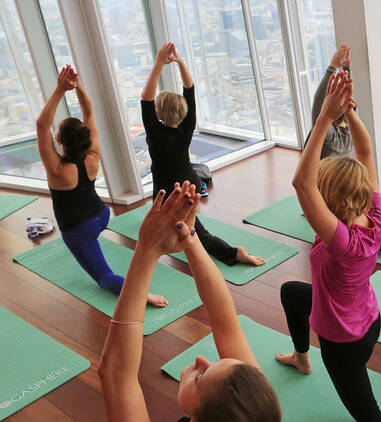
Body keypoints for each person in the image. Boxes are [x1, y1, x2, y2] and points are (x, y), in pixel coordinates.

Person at [98, 181, 281, 422]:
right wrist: (190, 239)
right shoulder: (252, 411)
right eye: (215, 363)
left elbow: (116, 375)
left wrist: (147, 250)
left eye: (200, 377)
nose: (200, 359)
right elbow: (224, 321)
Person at [275, 72, 381, 422]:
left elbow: (301, 182)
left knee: (371, 418)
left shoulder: (340, 240)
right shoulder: (374, 216)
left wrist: (326, 118)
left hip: (344, 342)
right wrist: (349, 112)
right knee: (291, 293)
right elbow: (365, 151)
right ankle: (301, 356)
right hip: (369, 320)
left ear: (327, 200)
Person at [36, 65, 167, 307]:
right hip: (102, 214)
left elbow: (41, 125)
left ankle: (143, 296)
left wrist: (59, 90)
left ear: (59, 140)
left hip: (79, 230)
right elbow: (88, 112)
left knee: (104, 277)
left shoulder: (58, 170)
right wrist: (77, 87)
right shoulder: (92, 156)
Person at [141, 43, 265, 267]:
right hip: (191, 184)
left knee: (194, 233)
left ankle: (234, 253)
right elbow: (190, 88)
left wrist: (159, 65)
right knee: (178, 225)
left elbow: (145, 98)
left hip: (171, 192)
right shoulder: (186, 127)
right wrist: (179, 62)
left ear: (159, 113)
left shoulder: (155, 132)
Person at [304, 44, 381, 260]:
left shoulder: (336, 132)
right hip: (337, 187)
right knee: (362, 225)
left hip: (333, 189)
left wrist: (337, 69)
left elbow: (323, 109)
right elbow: (324, 107)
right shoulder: (338, 132)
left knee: (346, 229)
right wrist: (341, 69)